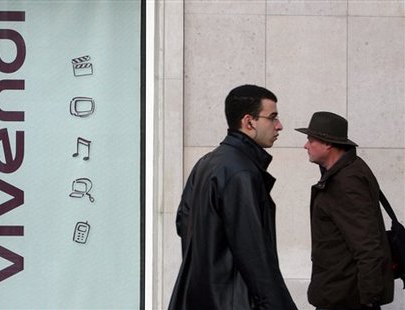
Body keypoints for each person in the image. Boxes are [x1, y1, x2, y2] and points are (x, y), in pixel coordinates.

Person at [168, 84, 298, 310]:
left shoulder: (207, 163)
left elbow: (184, 222)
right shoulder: (241, 172)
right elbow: (254, 254)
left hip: (198, 297)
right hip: (233, 301)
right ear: (249, 122)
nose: (279, 126)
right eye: (272, 117)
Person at [295, 111, 394, 310]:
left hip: (346, 299)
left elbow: (367, 244)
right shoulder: (345, 172)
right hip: (339, 294)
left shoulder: (347, 181)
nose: (305, 146)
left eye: (310, 140)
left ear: (327, 143)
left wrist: (369, 298)